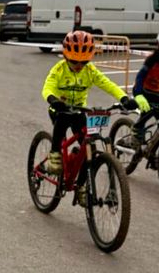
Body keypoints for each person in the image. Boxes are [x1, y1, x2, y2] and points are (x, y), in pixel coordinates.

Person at [41, 30, 135, 176]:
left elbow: (108, 84)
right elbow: (47, 87)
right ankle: (54, 154)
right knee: (62, 121)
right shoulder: (59, 69)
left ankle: (82, 185)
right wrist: (53, 100)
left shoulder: (90, 70)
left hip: (79, 110)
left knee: (88, 148)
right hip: (59, 109)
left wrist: (124, 98)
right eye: (74, 61)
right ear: (66, 56)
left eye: (84, 62)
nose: (79, 65)